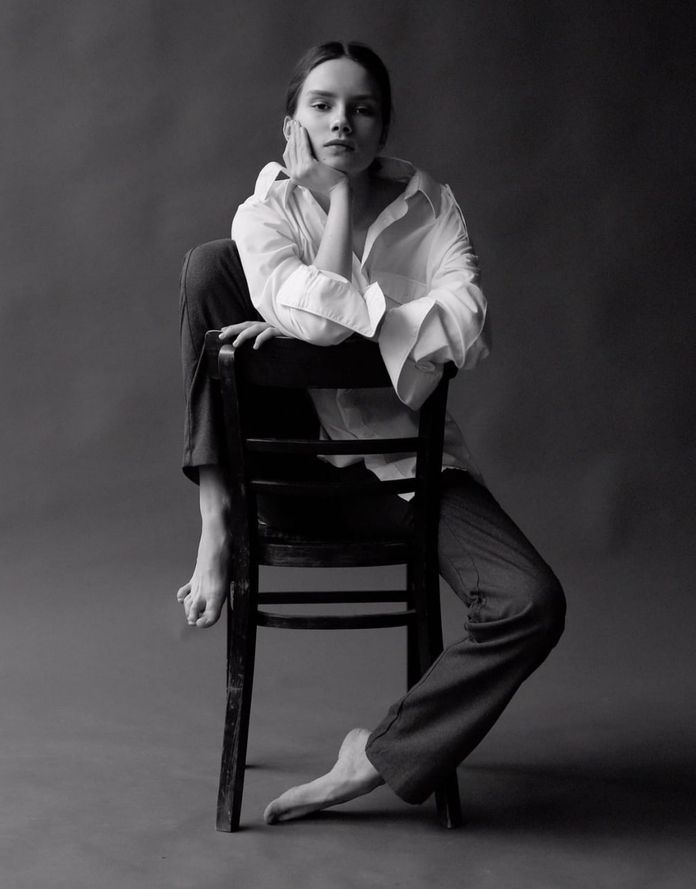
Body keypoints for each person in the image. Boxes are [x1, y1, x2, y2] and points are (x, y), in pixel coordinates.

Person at [177, 41, 566, 824]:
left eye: (361, 107)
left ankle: (379, 753)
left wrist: (325, 320)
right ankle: (215, 522)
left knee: (531, 602)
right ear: (291, 120)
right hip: (294, 478)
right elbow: (326, 320)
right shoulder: (264, 214)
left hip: (411, 469)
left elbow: (470, 324)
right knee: (207, 267)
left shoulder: (432, 206)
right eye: (320, 104)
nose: (340, 121)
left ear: (384, 122)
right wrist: (369, 314)